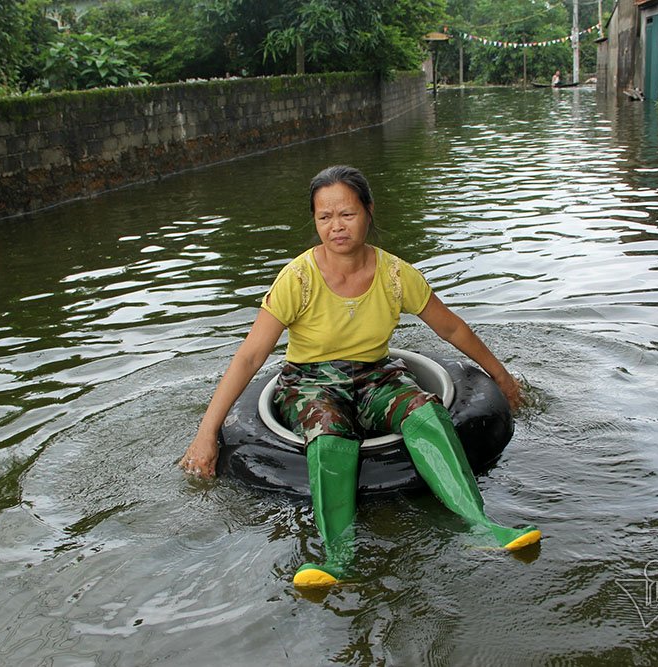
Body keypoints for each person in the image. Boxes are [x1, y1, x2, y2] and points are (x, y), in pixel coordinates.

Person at [179, 165, 540, 588]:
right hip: (310, 381)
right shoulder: (297, 278)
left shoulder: (395, 274)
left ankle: (478, 526)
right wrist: (207, 432)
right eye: (324, 217)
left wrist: (504, 379)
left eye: (346, 214)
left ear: (368, 211)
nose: (336, 227)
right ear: (314, 221)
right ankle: (338, 554)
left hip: (376, 376)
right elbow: (250, 355)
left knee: (426, 411)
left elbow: (452, 328)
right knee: (329, 432)